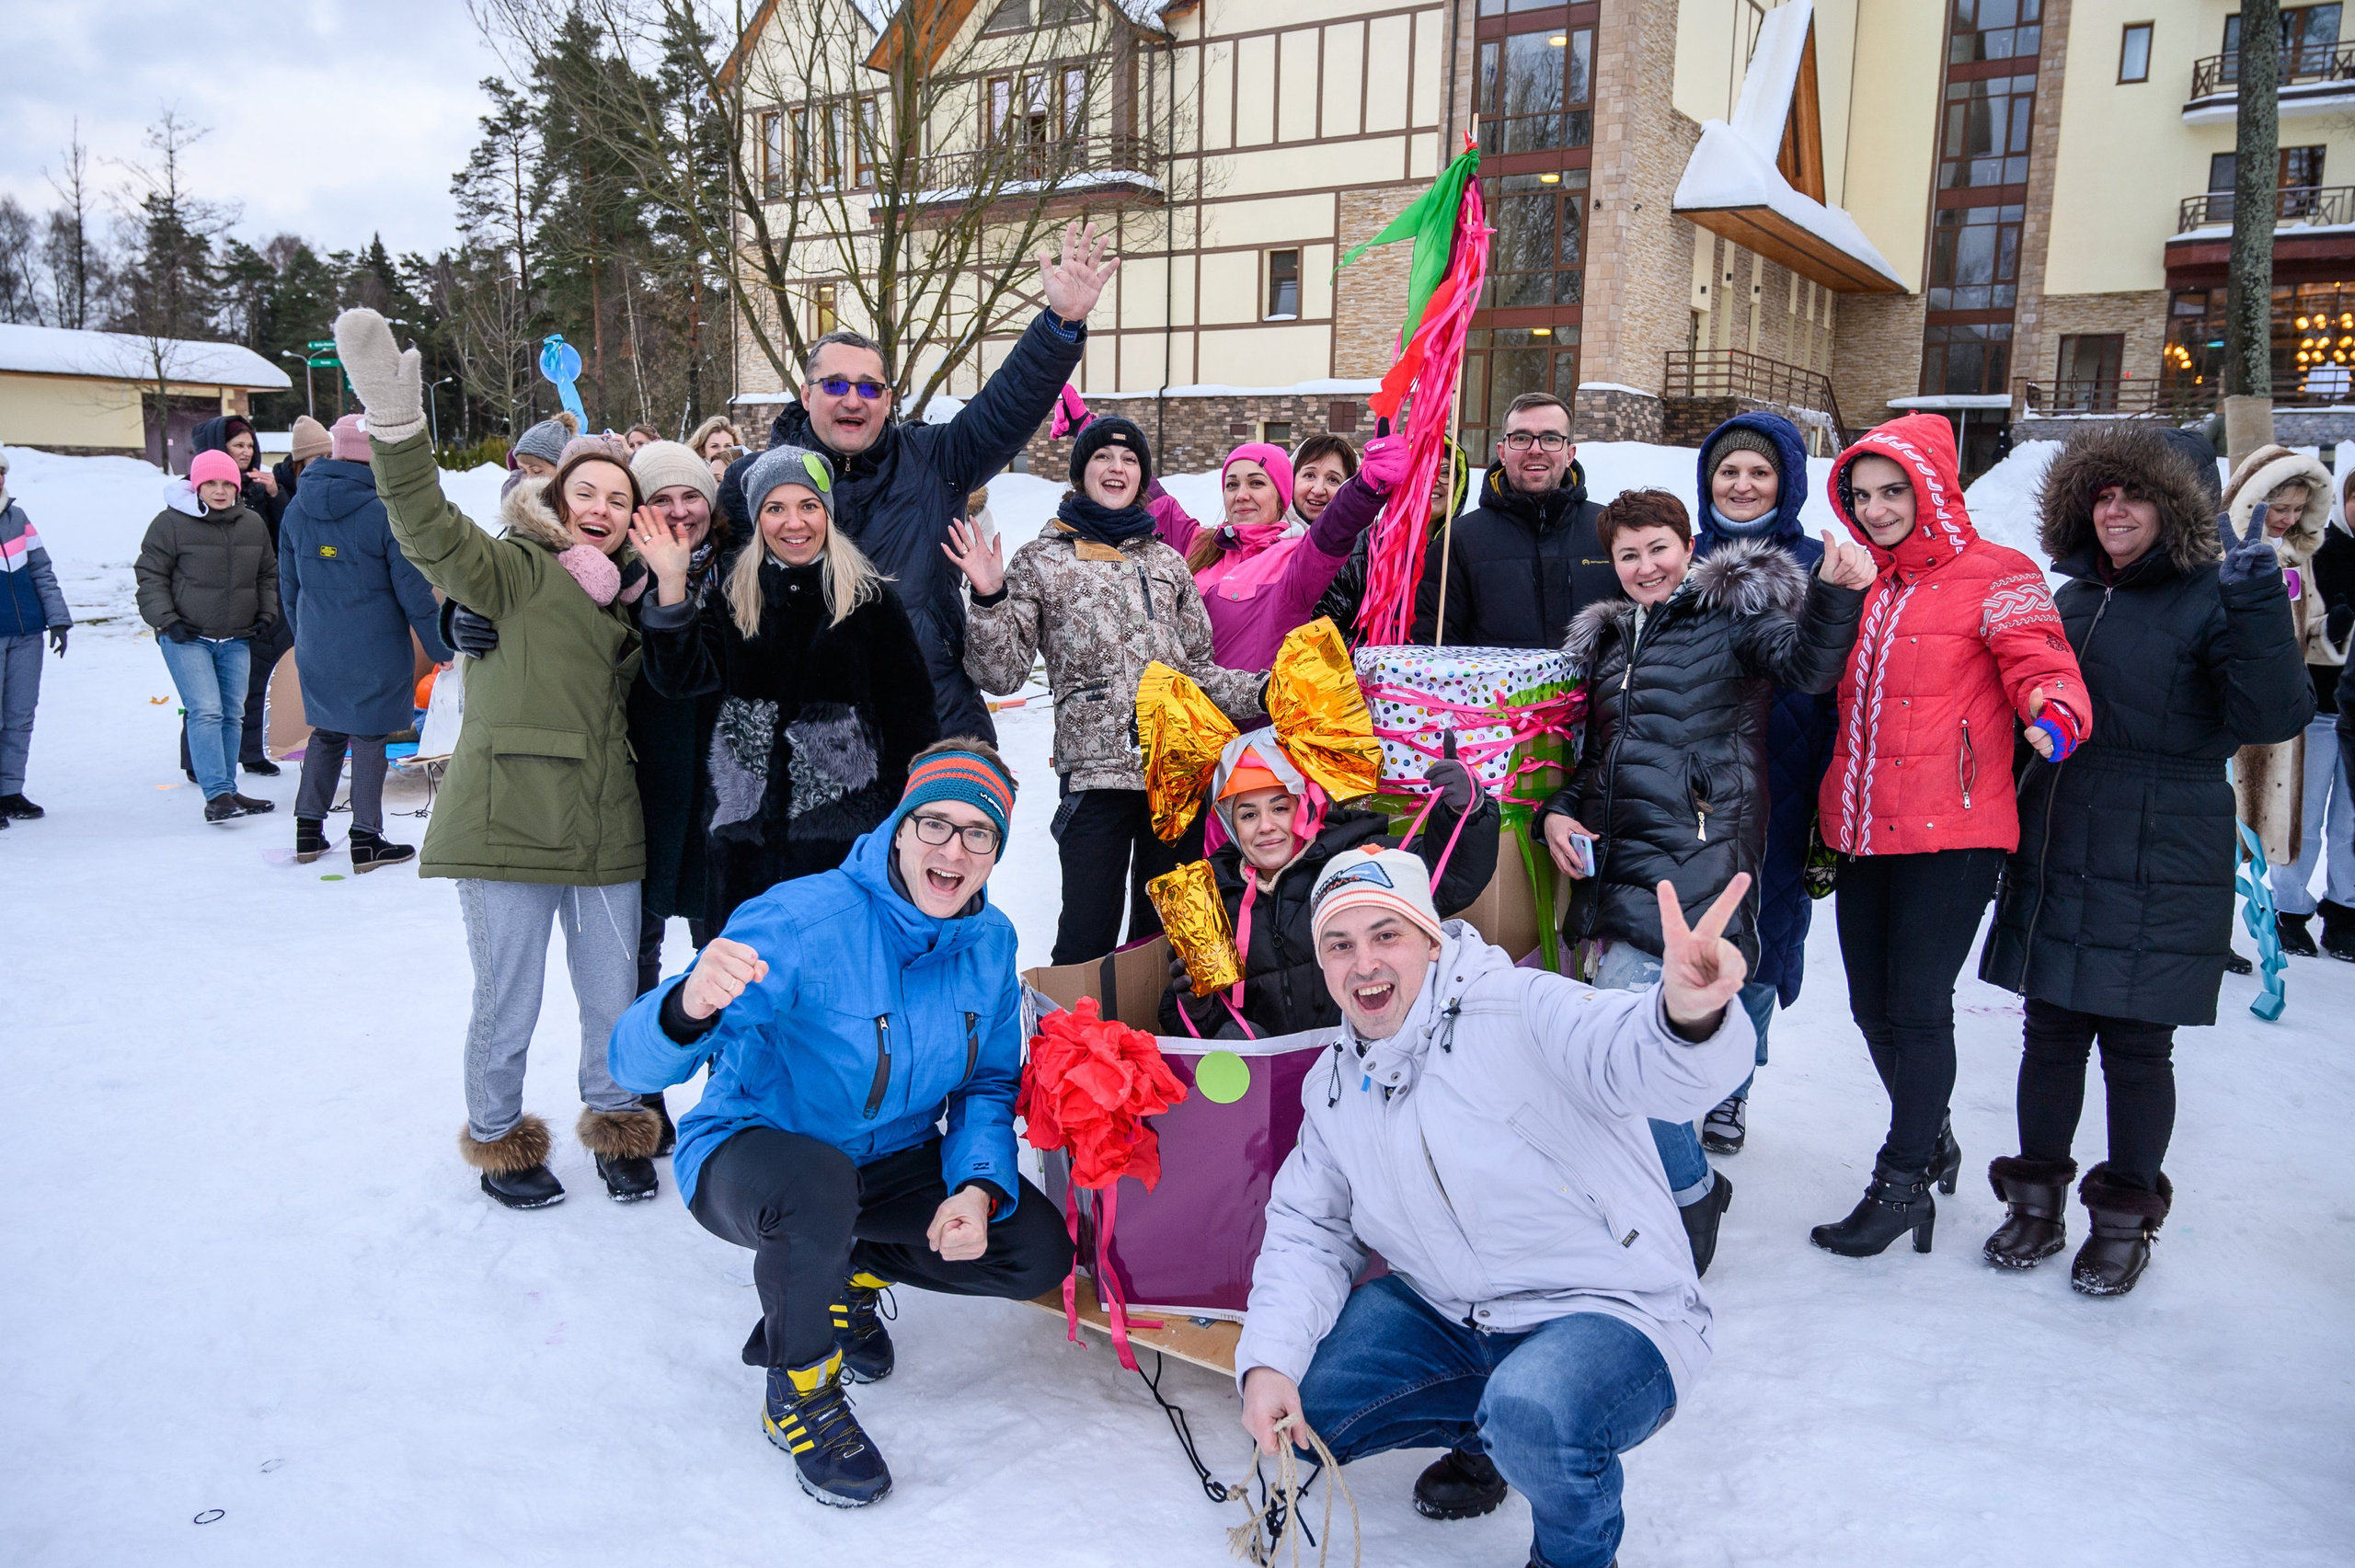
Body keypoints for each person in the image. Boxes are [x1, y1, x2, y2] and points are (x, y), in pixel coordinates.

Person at [1235, 849, 1758, 1567]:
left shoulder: (1520, 1006)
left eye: (1386, 935)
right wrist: (1268, 1361)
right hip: (1457, 1313)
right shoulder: (1334, 1083)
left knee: (1534, 1409)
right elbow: (1309, 1231)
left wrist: (1686, 1016)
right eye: (1340, 945)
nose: (1365, 965)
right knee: (1312, 1399)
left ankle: (1567, 1544)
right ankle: (1488, 1437)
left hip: (1613, 1310)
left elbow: (1632, 1053)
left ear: (1430, 937)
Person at [608, 742, 1074, 1510]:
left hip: (889, 1159)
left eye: (978, 833)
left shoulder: (989, 946)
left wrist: (980, 1187)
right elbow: (631, 1068)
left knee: (1036, 1251)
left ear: (996, 852)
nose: (953, 850)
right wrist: (687, 1003)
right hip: (755, 1151)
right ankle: (799, 1392)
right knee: (818, 1185)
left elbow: (989, 1083)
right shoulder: (802, 921)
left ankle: (845, 1276)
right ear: (899, 827)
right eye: (934, 823)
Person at [333, 305, 664, 1209]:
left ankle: (617, 1120)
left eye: (618, 498)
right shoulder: (517, 569)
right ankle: (497, 1133)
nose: (601, 508)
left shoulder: (639, 599)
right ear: (558, 500)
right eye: (585, 492)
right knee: (507, 1004)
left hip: (605, 826)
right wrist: (400, 434)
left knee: (613, 1003)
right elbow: (432, 533)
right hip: (510, 818)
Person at [1978, 426, 2313, 1297]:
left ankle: (2124, 1220)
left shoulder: (2217, 595)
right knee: (2049, 1031)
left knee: (2135, 1044)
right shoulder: (2074, 596)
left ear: (2180, 506)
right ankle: (2036, 1201)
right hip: (2064, 828)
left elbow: (2273, 712)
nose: (2115, 508)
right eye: (2102, 493)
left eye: (2135, 493)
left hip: (2164, 839)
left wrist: (2258, 608)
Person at [1536, 487, 1870, 1274]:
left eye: (1658, 548)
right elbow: (1599, 761)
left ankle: (1690, 1195)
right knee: (1622, 1053)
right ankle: (1658, 1189)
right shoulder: (1614, 644)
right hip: (1615, 867)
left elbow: (1809, 666)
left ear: (1688, 547)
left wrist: (1838, 595)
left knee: (1638, 1057)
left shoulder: (1732, 618)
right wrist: (1559, 812)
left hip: (1696, 859)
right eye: (1628, 554)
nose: (1645, 566)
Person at [1809, 413, 2091, 1258]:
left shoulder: (1997, 573)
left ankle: (1901, 1181)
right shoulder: (1863, 583)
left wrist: (2057, 714)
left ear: (1933, 488)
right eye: (1863, 495)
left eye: (1894, 490)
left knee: (1918, 1008)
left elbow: (2042, 661)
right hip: (1861, 825)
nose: (1879, 508)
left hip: (1955, 829)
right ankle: (1927, 1133)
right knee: (1869, 1007)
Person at [765, 221, 1118, 741]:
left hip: (934, 722)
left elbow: (1006, 408)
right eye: (835, 384)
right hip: (814, 738)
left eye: (870, 386)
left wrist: (1060, 324)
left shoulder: (935, 459)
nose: (852, 398)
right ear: (806, 393)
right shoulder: (763, 485)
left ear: (887, 399)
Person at [953, 415, 1266, 964]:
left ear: (1142, 477)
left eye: (1129, 459)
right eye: (1102, 457)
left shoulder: (1169, 562)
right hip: (1096, 780)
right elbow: (999, 674)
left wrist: (1270, 691)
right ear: (1081, 472)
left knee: (1188, 941)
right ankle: (1079, 1048)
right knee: (1086, 939)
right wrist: (988, 596)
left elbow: (1201, 673)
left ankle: (1191, 1042)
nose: (1116, 467)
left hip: (1178, 777)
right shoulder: (1041, 560)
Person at [632, 441, 939, 931]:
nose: (794, 523)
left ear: (827, 514)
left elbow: (914, 729)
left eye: (808, 506)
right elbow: (677, 679)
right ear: (758, 520)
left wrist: (907, 830)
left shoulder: (872, 604)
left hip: (844, 855)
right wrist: (672, 584)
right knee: (743, 994)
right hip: (742, 857)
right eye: (776, 508)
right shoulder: (730, 602)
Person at [1686, 413, 1841, 1155]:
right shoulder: (1675, 561)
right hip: (1689, 793)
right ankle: (1675, 1077)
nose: (1742, 485)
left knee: (1760, 938)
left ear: (1787, 482)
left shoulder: (1820, 565)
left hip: (1784, 787)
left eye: (1759, 472)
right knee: (1683, 935)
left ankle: (1731, 1089)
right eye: (1728, 472)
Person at [1158, 730, 1497, 1038]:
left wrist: (1464, 810)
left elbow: (1450, 878)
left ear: (1304, 805)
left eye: (1280, 807)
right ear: (1231, 827)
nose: (1265, 826)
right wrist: (1198, 1010)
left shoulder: (1357, 860)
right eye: (1248, 815)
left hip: (1371, 1056)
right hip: (1277, 1081)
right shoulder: (1212, 898)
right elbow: (1196, 1031)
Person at [276, 413, 453, 872]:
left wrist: (308, 639)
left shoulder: (297, 508)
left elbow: (289, 587)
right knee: (370, 738)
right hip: (373, 649)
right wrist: (442, 651)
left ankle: (308, 832)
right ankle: (366, 839)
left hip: (317, 645)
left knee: (328, 734)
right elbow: (414, 595)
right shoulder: (382, 512)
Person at [137, 448, 280, 824]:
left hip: (236, 636)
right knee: (206, 710)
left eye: (226, 483)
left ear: (236, 486)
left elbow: (267, 574)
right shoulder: (170, 524)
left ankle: (228, 790)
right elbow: (149, 576)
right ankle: (216, 795)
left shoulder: (251, 524)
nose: (219, 491)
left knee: (233, 712)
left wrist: (266, 614)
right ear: (196, 486)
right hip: (187, 636)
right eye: (210, 483)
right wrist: (167, 621)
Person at [1413, 391, 1618, 648]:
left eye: (1551, 438)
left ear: (1569, 453)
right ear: (1502, 451)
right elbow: (1436, 648)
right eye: (1521, 438)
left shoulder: (1610, 531)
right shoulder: (1459, 540)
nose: (1535, 449)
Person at [1173, 439, 1396, 670]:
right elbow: (1155, 501)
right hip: (1174, 703)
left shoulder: (1294, 556)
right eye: (1231, 485)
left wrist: (1367, 486)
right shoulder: (1203, 544)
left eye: (1256, 483)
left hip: (1246, 702)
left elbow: (1332, 530)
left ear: (1281, 494)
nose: (1241, 495)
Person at [2223, 444, 2332, 878]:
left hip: (2281, 698)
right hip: (2236, 701)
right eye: (2280, 507)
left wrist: (2332, 632)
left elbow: (2309, 630)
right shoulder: (2223, 553)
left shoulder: (2296, 558)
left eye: (2298, 509)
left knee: (2262, 827)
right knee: (2219, 833)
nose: (2288, 518)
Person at [2271, 466, 2355, 960]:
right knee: (2302, 814)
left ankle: (2345, 911)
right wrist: (2332, 631)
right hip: (2320, 707)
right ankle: (2291, 910)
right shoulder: (2315, 552)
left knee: (2352, 820)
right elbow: (2296, 627)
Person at [184, 413, 292, 779]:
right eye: (237, 445)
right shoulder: (195, 493)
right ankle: (197, 760)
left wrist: (276, 495)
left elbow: (284, 539)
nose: (245, 452)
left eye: (249, 445)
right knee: (204, 693)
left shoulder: (262, 487)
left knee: (253, 681)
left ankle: (249, 752)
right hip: (207, 605)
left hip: (255, 601)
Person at [1314, 435, 1469, 645]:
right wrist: (1382, 665)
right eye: (1420, 470)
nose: (1433, 481)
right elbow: (1326, 628)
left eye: (1445, 472)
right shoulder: (1361, 549)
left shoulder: (1467, 550)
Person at [0, 444, 72, 821]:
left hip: (26, 632)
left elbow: (41, 570)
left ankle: (10, 789)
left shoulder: (18, 518)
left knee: (19, 715)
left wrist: (57, 618)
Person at [1290, 432, 1359, 527]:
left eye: (1333, 480)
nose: (1318, 490)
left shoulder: (1367, 539)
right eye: (1309, 475)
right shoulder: (1266, 534)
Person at [504, 411, 579, 495]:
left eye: (537, 471)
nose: (528, 479)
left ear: (562, 469)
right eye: (523, 470)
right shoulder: (514, 491)